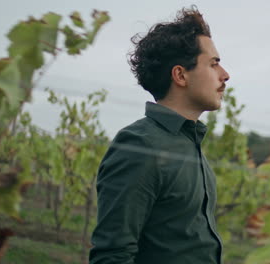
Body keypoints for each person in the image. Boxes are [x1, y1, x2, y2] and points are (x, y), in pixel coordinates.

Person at [89, 6, 230, 264]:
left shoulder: (191, 145)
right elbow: (112, 256)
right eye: (213, 64)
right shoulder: (139, 145)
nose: (225, 75)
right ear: (180, 75)